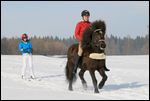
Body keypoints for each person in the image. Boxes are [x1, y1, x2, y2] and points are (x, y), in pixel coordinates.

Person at [73, 10, 109, 74]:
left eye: (87, 16)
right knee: (80, 51)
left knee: (101, 50)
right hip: (83, 41)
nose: (86, 17)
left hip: (91, 42)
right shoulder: (79, 24)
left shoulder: (91, 24)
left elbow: (94, 34)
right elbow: (76, 34)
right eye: (85, 16)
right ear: (83, 17)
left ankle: (104, 66)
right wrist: (82, 39)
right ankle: (75, 67)